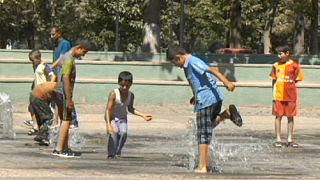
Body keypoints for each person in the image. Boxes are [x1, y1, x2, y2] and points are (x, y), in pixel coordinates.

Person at [167, 45, 243, 173]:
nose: (176, 66)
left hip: (207, 100)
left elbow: (212, 70)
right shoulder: (188, 65)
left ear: (178, 57)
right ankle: (227, 114)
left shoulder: (193, 61)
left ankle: (203, 166)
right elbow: (197, 81)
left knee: (202, 133)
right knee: (206, 128)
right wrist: (195, 96)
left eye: (174, 63)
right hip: (211, 99)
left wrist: (226, 82)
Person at [52, 40, 89, 158]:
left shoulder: (66, 56)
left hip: (59, 91)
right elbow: (66, 79)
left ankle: (64, 147)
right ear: (78, 47)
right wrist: (69, 99)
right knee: (66, 121)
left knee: (65, 120)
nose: (83, 55)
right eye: (84, 51)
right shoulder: (69, 59)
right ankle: (58, 149)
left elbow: (54, 65)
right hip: (63, 93)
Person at [104, 71, 152, 158]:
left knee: (123, 133)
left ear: (131, 84)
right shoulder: (114, 94)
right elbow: (108, 109)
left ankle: (118, 152)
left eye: (127, 86)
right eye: (122, 85)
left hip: (122, 118)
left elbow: (130, 109)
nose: (125, 87)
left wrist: (143, 115)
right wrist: (108, 125)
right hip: (112, 118)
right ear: (119, 83)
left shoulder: (131, 95)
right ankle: (111, 154)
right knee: (114, 133)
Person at [270, 45, 303, 148]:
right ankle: (278, 139)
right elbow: (274, 79)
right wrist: (273, 92)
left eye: (280, 53)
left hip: (291, 96)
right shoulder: (276, 65)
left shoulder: (295, 66)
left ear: (287, 53)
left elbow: (296, 79)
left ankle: (289, 139)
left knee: (290, 117)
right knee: (278, 116)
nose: (278, 56)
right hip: (278, 95)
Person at [50, 26, 78, 128]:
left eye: (53, 34)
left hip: (63, 71)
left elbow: (62, 58)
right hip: (56, 71)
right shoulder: (56, 44)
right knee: (58, 96)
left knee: (66, 95)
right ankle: (60, 120)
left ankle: (73, 120)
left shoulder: (65, 44)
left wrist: (52, 66)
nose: (52, 36)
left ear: (59, 33)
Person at [25, 50, 56, 136]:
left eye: (33, 60)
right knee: (31, 108)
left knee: (44, 113)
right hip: (36, 91)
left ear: (38, 58)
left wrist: (48, 86)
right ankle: (36, 126)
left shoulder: (44, 66)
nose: (32, 62)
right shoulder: (36, 66)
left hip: (43, 92)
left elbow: (53, 76)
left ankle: (44, 133)